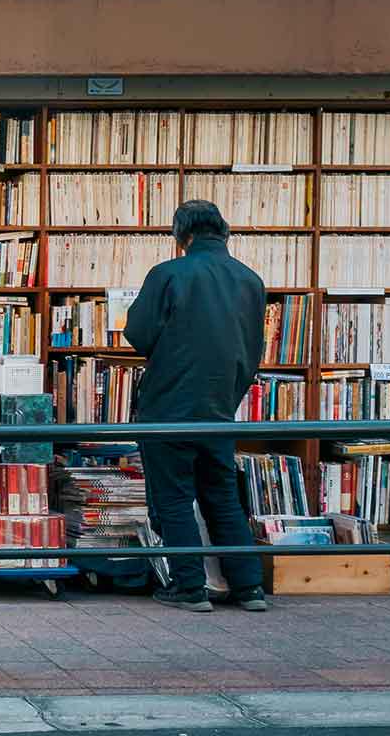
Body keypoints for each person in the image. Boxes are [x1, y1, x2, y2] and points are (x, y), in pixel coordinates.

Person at [124, 199, 269, 614]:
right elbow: (253, 348)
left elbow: (138, 333)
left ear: (181, 236)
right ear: (224, 231)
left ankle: (189, 588)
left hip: (168, 405)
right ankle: (249, 588)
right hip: (221, 407)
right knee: (222, 496)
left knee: (173, 498)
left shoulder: (168, 274)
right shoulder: (250, 280)